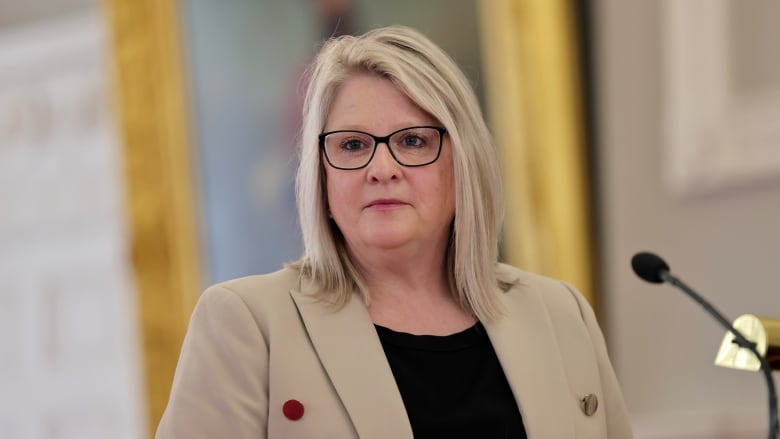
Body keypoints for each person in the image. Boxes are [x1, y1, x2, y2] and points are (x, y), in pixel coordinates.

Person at [156, 25, 633, 438]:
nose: (381, 168)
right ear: (321, 174)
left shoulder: (562, 315)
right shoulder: (246, 324)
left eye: (412, 140)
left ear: (462, 161)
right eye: (352, 144)